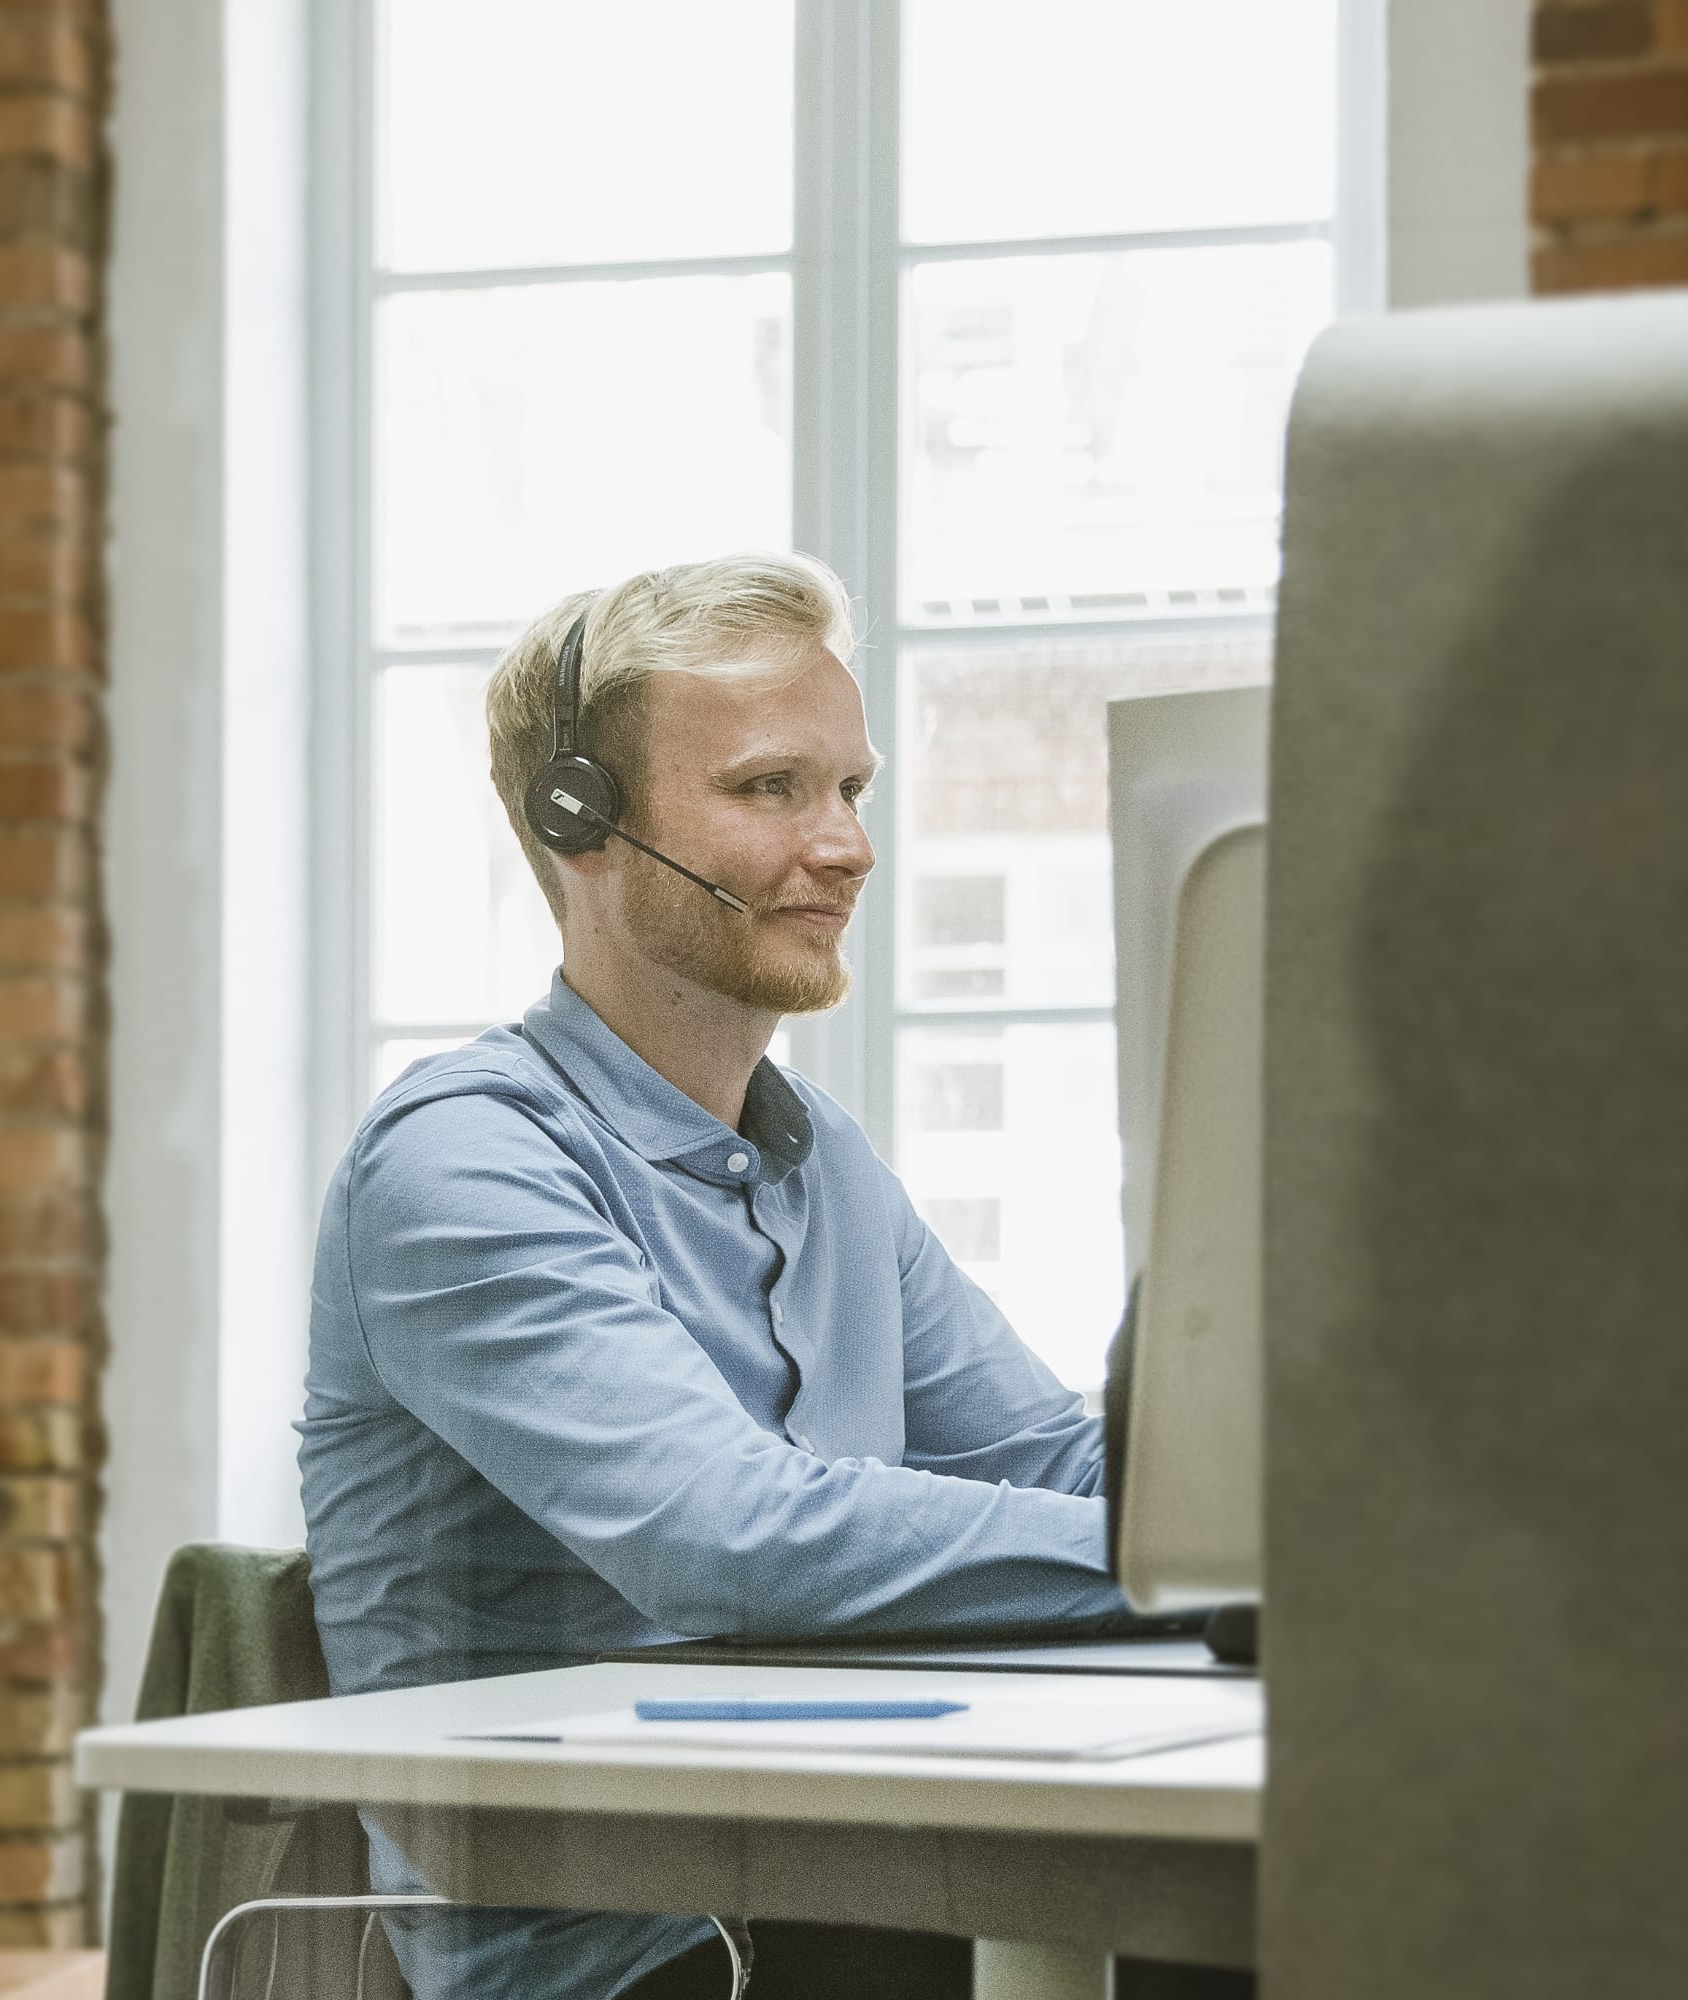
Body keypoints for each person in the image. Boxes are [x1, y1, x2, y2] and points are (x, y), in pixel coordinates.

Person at [298, 553, 1135, 2000]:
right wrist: (1194, 1567)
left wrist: (1287, 1520)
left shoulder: (823, 1165)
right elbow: (727, 1539)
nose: (848, 846)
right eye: (772, 791)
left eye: (853, 790)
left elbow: (1050, 1455)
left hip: (855, 1882)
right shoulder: (462, 1162)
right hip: (642, 1957)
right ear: (586, 825)